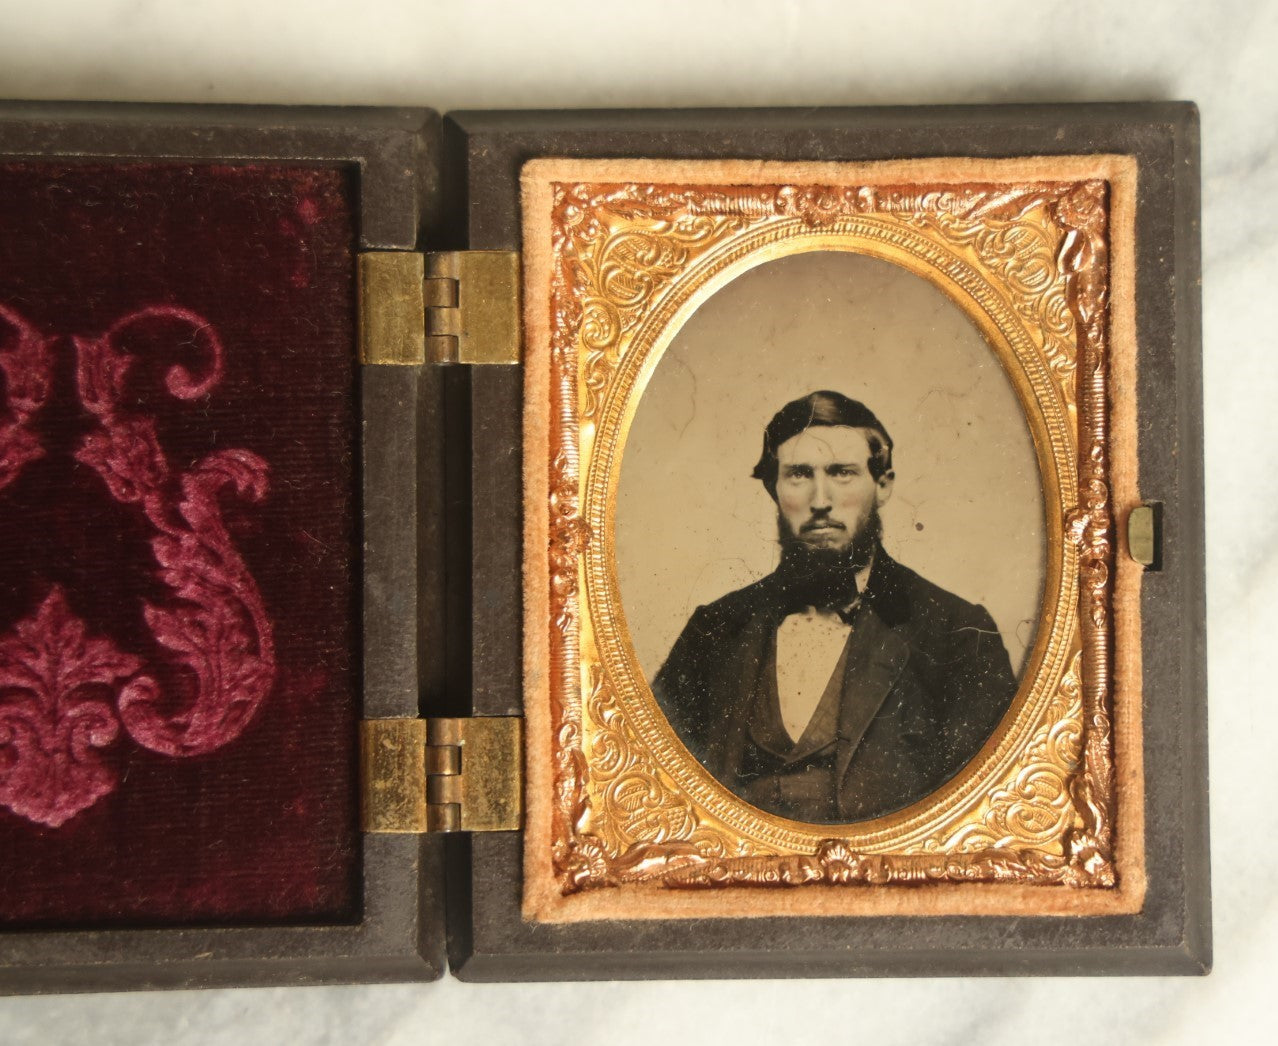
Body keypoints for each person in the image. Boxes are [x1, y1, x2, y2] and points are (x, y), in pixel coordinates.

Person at [652, 390, 1017, 823]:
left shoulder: (955, 631)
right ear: (774, 488)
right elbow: (658, 784)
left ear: (882, 485)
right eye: (799, 475)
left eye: (842, 473)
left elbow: (988, 808)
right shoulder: (715, 628)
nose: (820, 499)